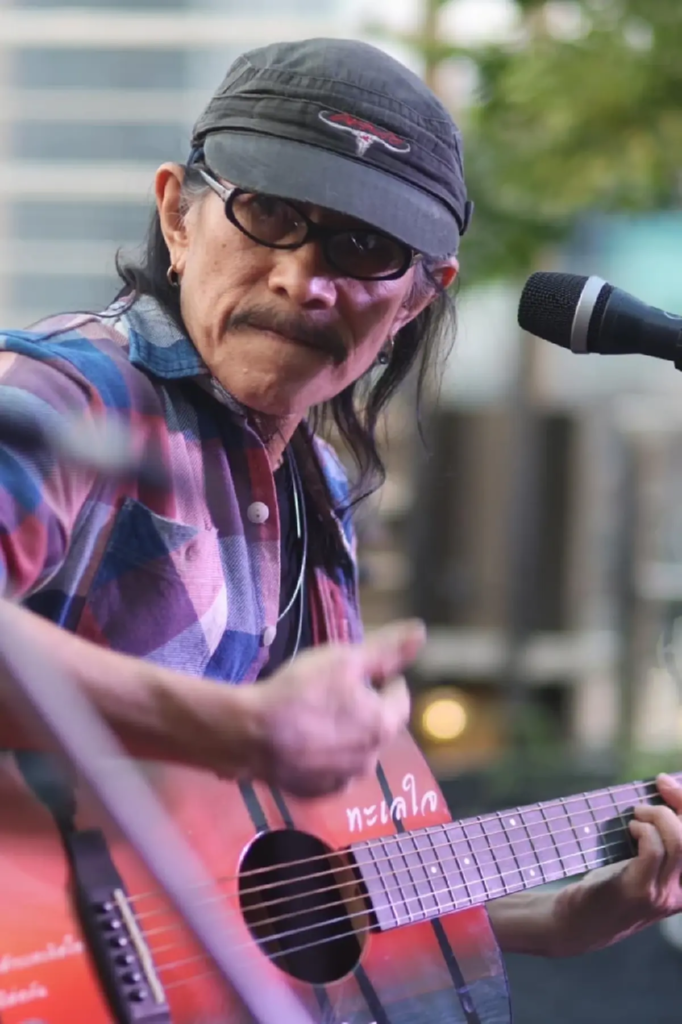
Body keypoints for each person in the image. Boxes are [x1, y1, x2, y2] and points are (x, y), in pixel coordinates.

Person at [0, 36, 680, 963]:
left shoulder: (314, 484)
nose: (303, 281)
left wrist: (559, 921)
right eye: (267, 213)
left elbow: (285, 892)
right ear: (178, 218)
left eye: (364, 247)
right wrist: (237, 730)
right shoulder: (65, 397)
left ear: (416, 299)